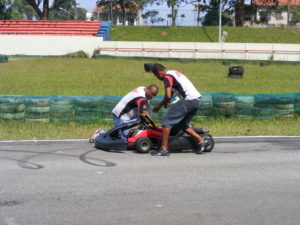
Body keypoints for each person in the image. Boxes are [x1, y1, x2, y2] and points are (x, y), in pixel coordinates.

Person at [150, 63, 207, 156]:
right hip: (196, 100)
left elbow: (168, 95)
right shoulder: (174, 73)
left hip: (188, 100)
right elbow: (171, 93)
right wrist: (165, 103)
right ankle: (201, 140)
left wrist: (160, 105)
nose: (157, 78)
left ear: (160, 71)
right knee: (181, 123)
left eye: (157, 75)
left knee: (166, 120)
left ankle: (164, 149)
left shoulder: (167, 77)